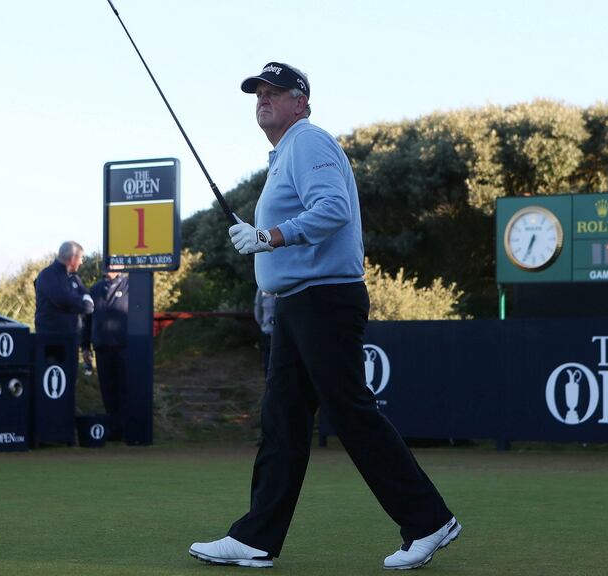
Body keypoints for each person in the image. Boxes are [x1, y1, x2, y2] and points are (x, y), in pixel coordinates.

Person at [189, 62, 460, 570]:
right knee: (283, 422)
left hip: (324, 299)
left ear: (302, 102)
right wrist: (268, 236)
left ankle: (428, 520)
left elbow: (332, 208)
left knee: (350, 413)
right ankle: (257, 537)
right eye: (259, 93)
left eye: (276, 92)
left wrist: (269, 236)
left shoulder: (308, 141)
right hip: (297, 304)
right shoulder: (285, 153)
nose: (263, 99)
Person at [82, 271, 129, 440]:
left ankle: (126, 430)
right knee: (107, 391)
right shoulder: (95, 289)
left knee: (124, 389)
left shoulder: (130, 286)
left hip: (124, 347)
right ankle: (114, 430)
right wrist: (85, 346)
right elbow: (87, 319)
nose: (109, 266)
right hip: (101, 347)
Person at [253, 288, 276, 379]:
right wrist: (264, 325)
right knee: (268, 364)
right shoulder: (263, 289)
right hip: (268, 332)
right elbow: (258, 310)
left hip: (284, 334)